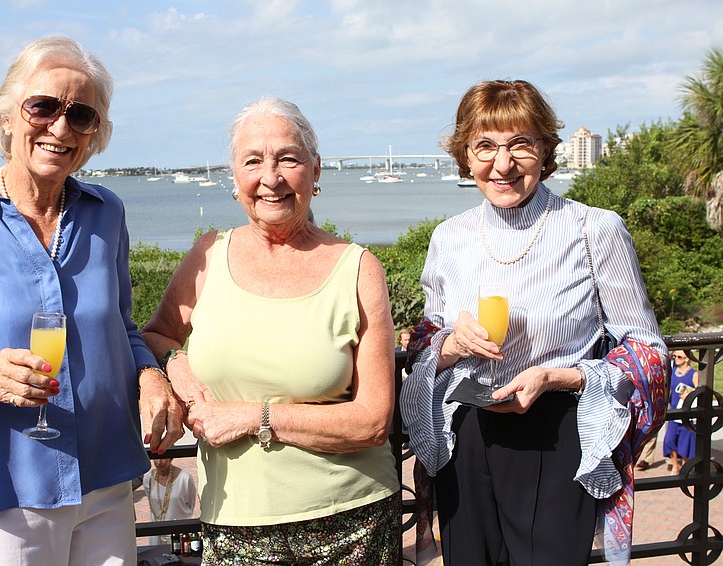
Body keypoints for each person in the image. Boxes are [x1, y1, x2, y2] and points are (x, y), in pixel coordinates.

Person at [0, 36, 184, 565]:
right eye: (43, 106)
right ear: (7, 116)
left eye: (81, 115)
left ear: (95, 134)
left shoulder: (107, 214)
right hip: (3, 491)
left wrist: (150, 375)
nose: (60, 127)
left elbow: (121, 327)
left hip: (104, 479)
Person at [400, 79, 669, 565]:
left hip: (559, 434)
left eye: (519, 144)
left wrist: (557, 377)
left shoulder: (593, 228)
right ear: (466, 154)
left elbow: (648, 350)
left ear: (545, 149)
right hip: (465, 435)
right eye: (485, 146)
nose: (501, 165)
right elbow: (422, 345)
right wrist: (451, 345)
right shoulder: (449, 237)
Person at [141, 96, 401, 565]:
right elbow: (156, 335)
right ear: (235, 178)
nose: (271, 177)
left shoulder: (359, 268)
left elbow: (375, 420)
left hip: (353, 522)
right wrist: (174, 369)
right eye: (253, 161)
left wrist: (250, 417)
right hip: (235, 522)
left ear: (316, 171)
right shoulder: (206, 256)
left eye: (288, 158)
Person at [141, 458, 197, 545]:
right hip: (156, 533)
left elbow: (191, 504)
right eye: (156, 458)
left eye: (163, 458)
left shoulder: (185, 478)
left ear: (170, 458)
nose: (159, 462)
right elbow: (151, 502)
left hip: (180, 533)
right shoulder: (148, 478)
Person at [663, 350, 698, 475]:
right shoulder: (673, 373)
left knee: (685, 440)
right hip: (674, 411)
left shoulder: (694, 374)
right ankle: (675, 465)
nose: (676, 359)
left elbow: (699, 393)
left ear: (687, 359)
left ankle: (685, 466)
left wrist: (689, 395)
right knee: (670, 439)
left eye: (679, 357)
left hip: (687, 412)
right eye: (675, 356)